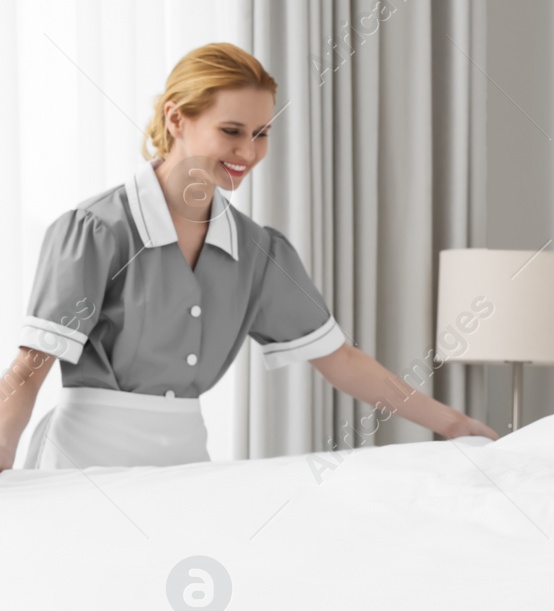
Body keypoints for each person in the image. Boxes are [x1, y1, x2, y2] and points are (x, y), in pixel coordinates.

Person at [0, 41, 496, 475]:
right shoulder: (96, 231)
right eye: (232, 131)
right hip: (85, 461)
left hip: (185, 463)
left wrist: (455, 425)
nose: (249, 151)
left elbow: (340, 359)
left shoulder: (257, 251)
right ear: (176, 118)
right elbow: (30, 368)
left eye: (262, 133)